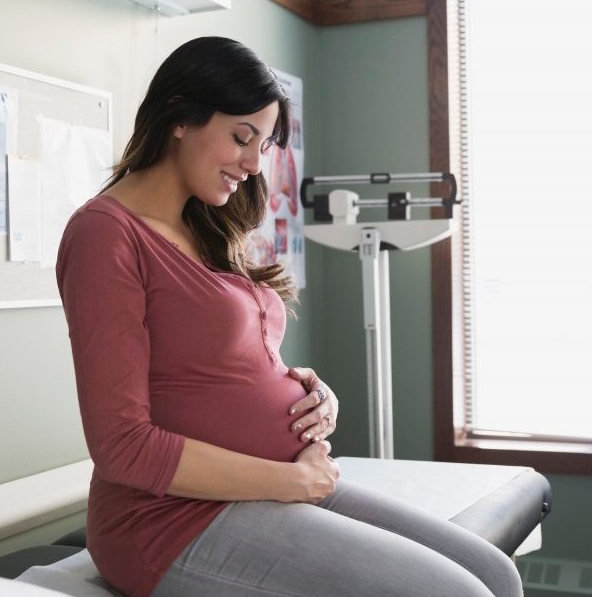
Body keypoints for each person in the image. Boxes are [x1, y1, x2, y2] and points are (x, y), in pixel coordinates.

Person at [56, 36, 521, 597]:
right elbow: (121, 445)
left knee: (497, 574)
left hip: (275, 481)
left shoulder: (205, 228)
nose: (253, 165)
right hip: (169, 522)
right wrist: (290, 480)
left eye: (262, 145)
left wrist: (306, 391)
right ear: (179, 115)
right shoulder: (106, 233)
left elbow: (218, 365)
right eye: (241, 137)